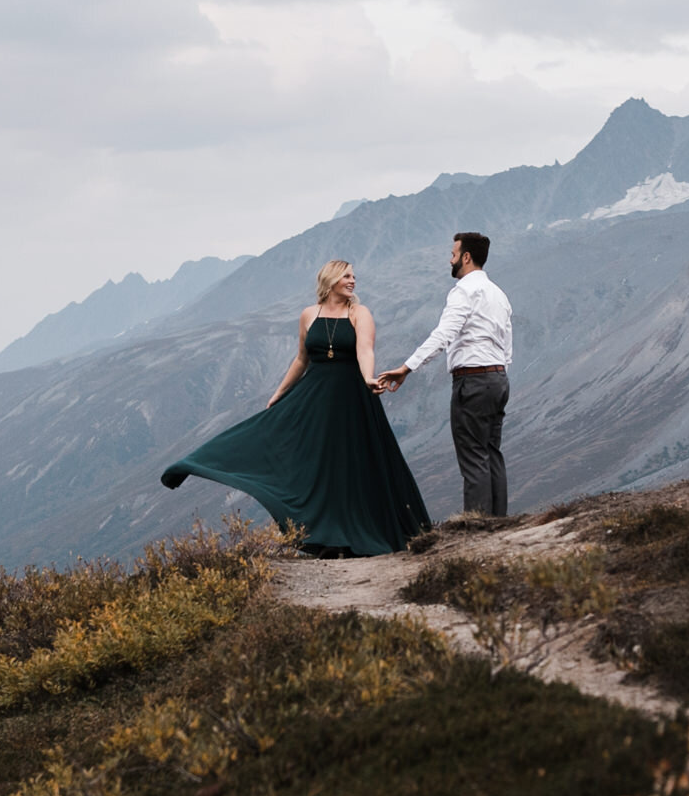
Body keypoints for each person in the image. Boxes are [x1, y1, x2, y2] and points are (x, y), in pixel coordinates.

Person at [157, 259, 429, 556]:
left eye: (354, 276)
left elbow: (365, 349)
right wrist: (280, 392)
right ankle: (189, 466)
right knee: (311, 463)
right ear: (331, 280)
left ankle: (360, 532)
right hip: (314, 398)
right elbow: (301, 359)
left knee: (355, 464)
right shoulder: (308, 315)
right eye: (347, 276)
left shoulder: (360, 313)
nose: (353, 281)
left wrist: (368, 378)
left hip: (352, 398)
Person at [374, 231, 513, 516]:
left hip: (472, 380)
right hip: (498, 378)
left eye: (452, 254)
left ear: (466, 257)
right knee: (491, 453)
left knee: (473, 456)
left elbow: (443, 335)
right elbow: (506, 341)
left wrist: (406, 367)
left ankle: (476, 527)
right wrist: (499, 373)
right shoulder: (498, 294)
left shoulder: (463, 291)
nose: (449, 260)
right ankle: (499, 523)